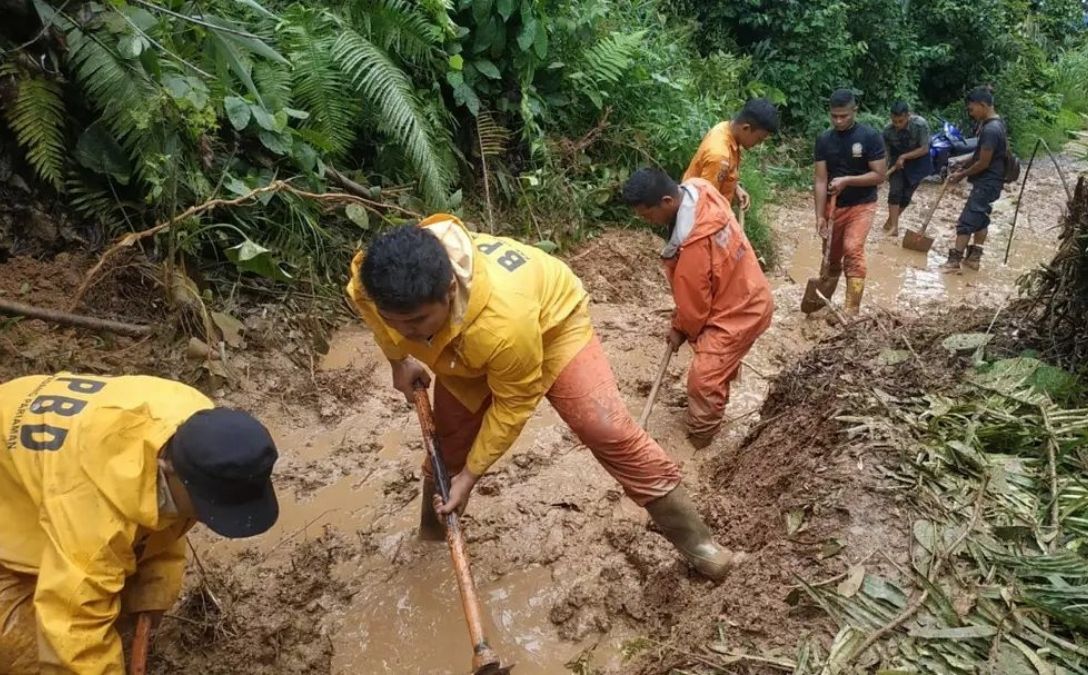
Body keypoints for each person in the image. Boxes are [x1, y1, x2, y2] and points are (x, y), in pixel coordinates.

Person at [346, 219, 735, 580]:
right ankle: (432, 538)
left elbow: (513, 403)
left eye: (415, 323)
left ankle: (700, 545)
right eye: (396, 321)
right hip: (466, 342)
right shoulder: (374, 282)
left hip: (551, 325)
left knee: (605, 428)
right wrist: (398, 362)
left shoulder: (503, 324)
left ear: (450, 291)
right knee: (446, 447)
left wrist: (471, 476)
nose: (406, 331)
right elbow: (372, 311)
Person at [0, 373, 279, 673]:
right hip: (15, 492)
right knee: (28, 651)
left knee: (112, 609)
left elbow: (164, 516)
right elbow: (73, 627)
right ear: (167, 468)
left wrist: (152, 593)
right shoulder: (94, 514)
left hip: (41, 462)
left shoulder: (195, 424)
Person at [622, 168, 774, 449]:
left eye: (647, 215)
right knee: (715, 366)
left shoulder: (694, 247)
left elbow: (694, 312)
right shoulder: (699, 187)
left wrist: (679, 328)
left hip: (741, 312)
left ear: (667, 201)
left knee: (702, 381)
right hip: (742, 288)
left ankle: (701, 441)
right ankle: (723, 381)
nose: (647, 222)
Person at [811, 88, 887, 315]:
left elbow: (879, 175)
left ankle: (851, 310)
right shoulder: (824, 140)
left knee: (852, 249)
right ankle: (823, 303)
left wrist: (847, 181)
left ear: (855, 110)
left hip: (861, 205)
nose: (839, 120)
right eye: (834, 116)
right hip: (834, 207)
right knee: (830, 257)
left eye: (844, 115)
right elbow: (820, 179)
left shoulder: (869, 137)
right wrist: (819, 216)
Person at [943, 87, 1009, 272]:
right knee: (980, 218)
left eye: (971, 109)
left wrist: (961, 175)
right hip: (993, 182)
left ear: (982, 105)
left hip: (987, 182)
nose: (971, 113)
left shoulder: (990, 129)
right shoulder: (996, 124)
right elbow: (980, 155)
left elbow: (983, 162)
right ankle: (973, 259)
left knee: (966, 222)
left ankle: (954, 261)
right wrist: (962, 167)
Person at [683, 98, 781, 210]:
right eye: (759, 139)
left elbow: (721, 176)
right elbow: (706, 204)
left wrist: (735, 188)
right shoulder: (719, 156)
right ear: (746, 128)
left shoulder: (725, 128)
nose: (758, 144)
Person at [881, 101, 933, 236]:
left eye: (901, 121)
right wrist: (883, 171)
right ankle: (894, 227)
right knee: (894, 192)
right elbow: (885, 154)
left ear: (908, 116)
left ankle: (891, 221)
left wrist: (904, 157)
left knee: (906, 197)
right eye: (894, 121)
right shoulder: (887, 131)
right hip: (896, 162)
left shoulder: (920, 125)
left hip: (918, 161)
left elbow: (924, 148)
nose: (897, 125)